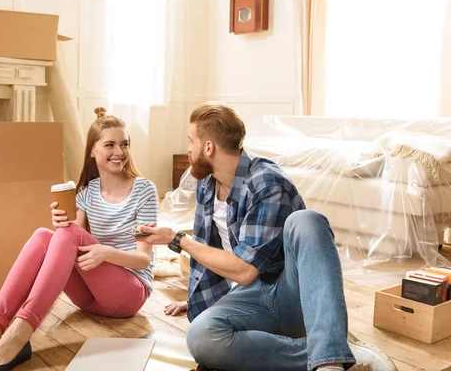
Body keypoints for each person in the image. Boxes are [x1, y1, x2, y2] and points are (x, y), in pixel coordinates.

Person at [138, 103, 396, 371]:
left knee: (307, 220)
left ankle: (329, 362)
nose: (188, 149)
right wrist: (200, 298)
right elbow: (212, 251)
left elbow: (245, 270)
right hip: (252, 299)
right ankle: (335, 351)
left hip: (288, 291)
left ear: (209, 148)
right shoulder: (207, 183)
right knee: (201, 337)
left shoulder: (267, 183)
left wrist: (179, 240)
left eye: (191, 141)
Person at [0, 107, 159, 371]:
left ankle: (18, 335)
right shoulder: (87, 192)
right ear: (92, 151)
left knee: (65, 234)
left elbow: (143, 259)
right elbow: (72, 240)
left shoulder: (144, 190)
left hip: (129, 292)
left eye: (124, 144)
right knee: (43, 235)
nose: (119, 152)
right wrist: (62, 223)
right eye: (110, 145)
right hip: (89, 299)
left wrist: (105, 252)